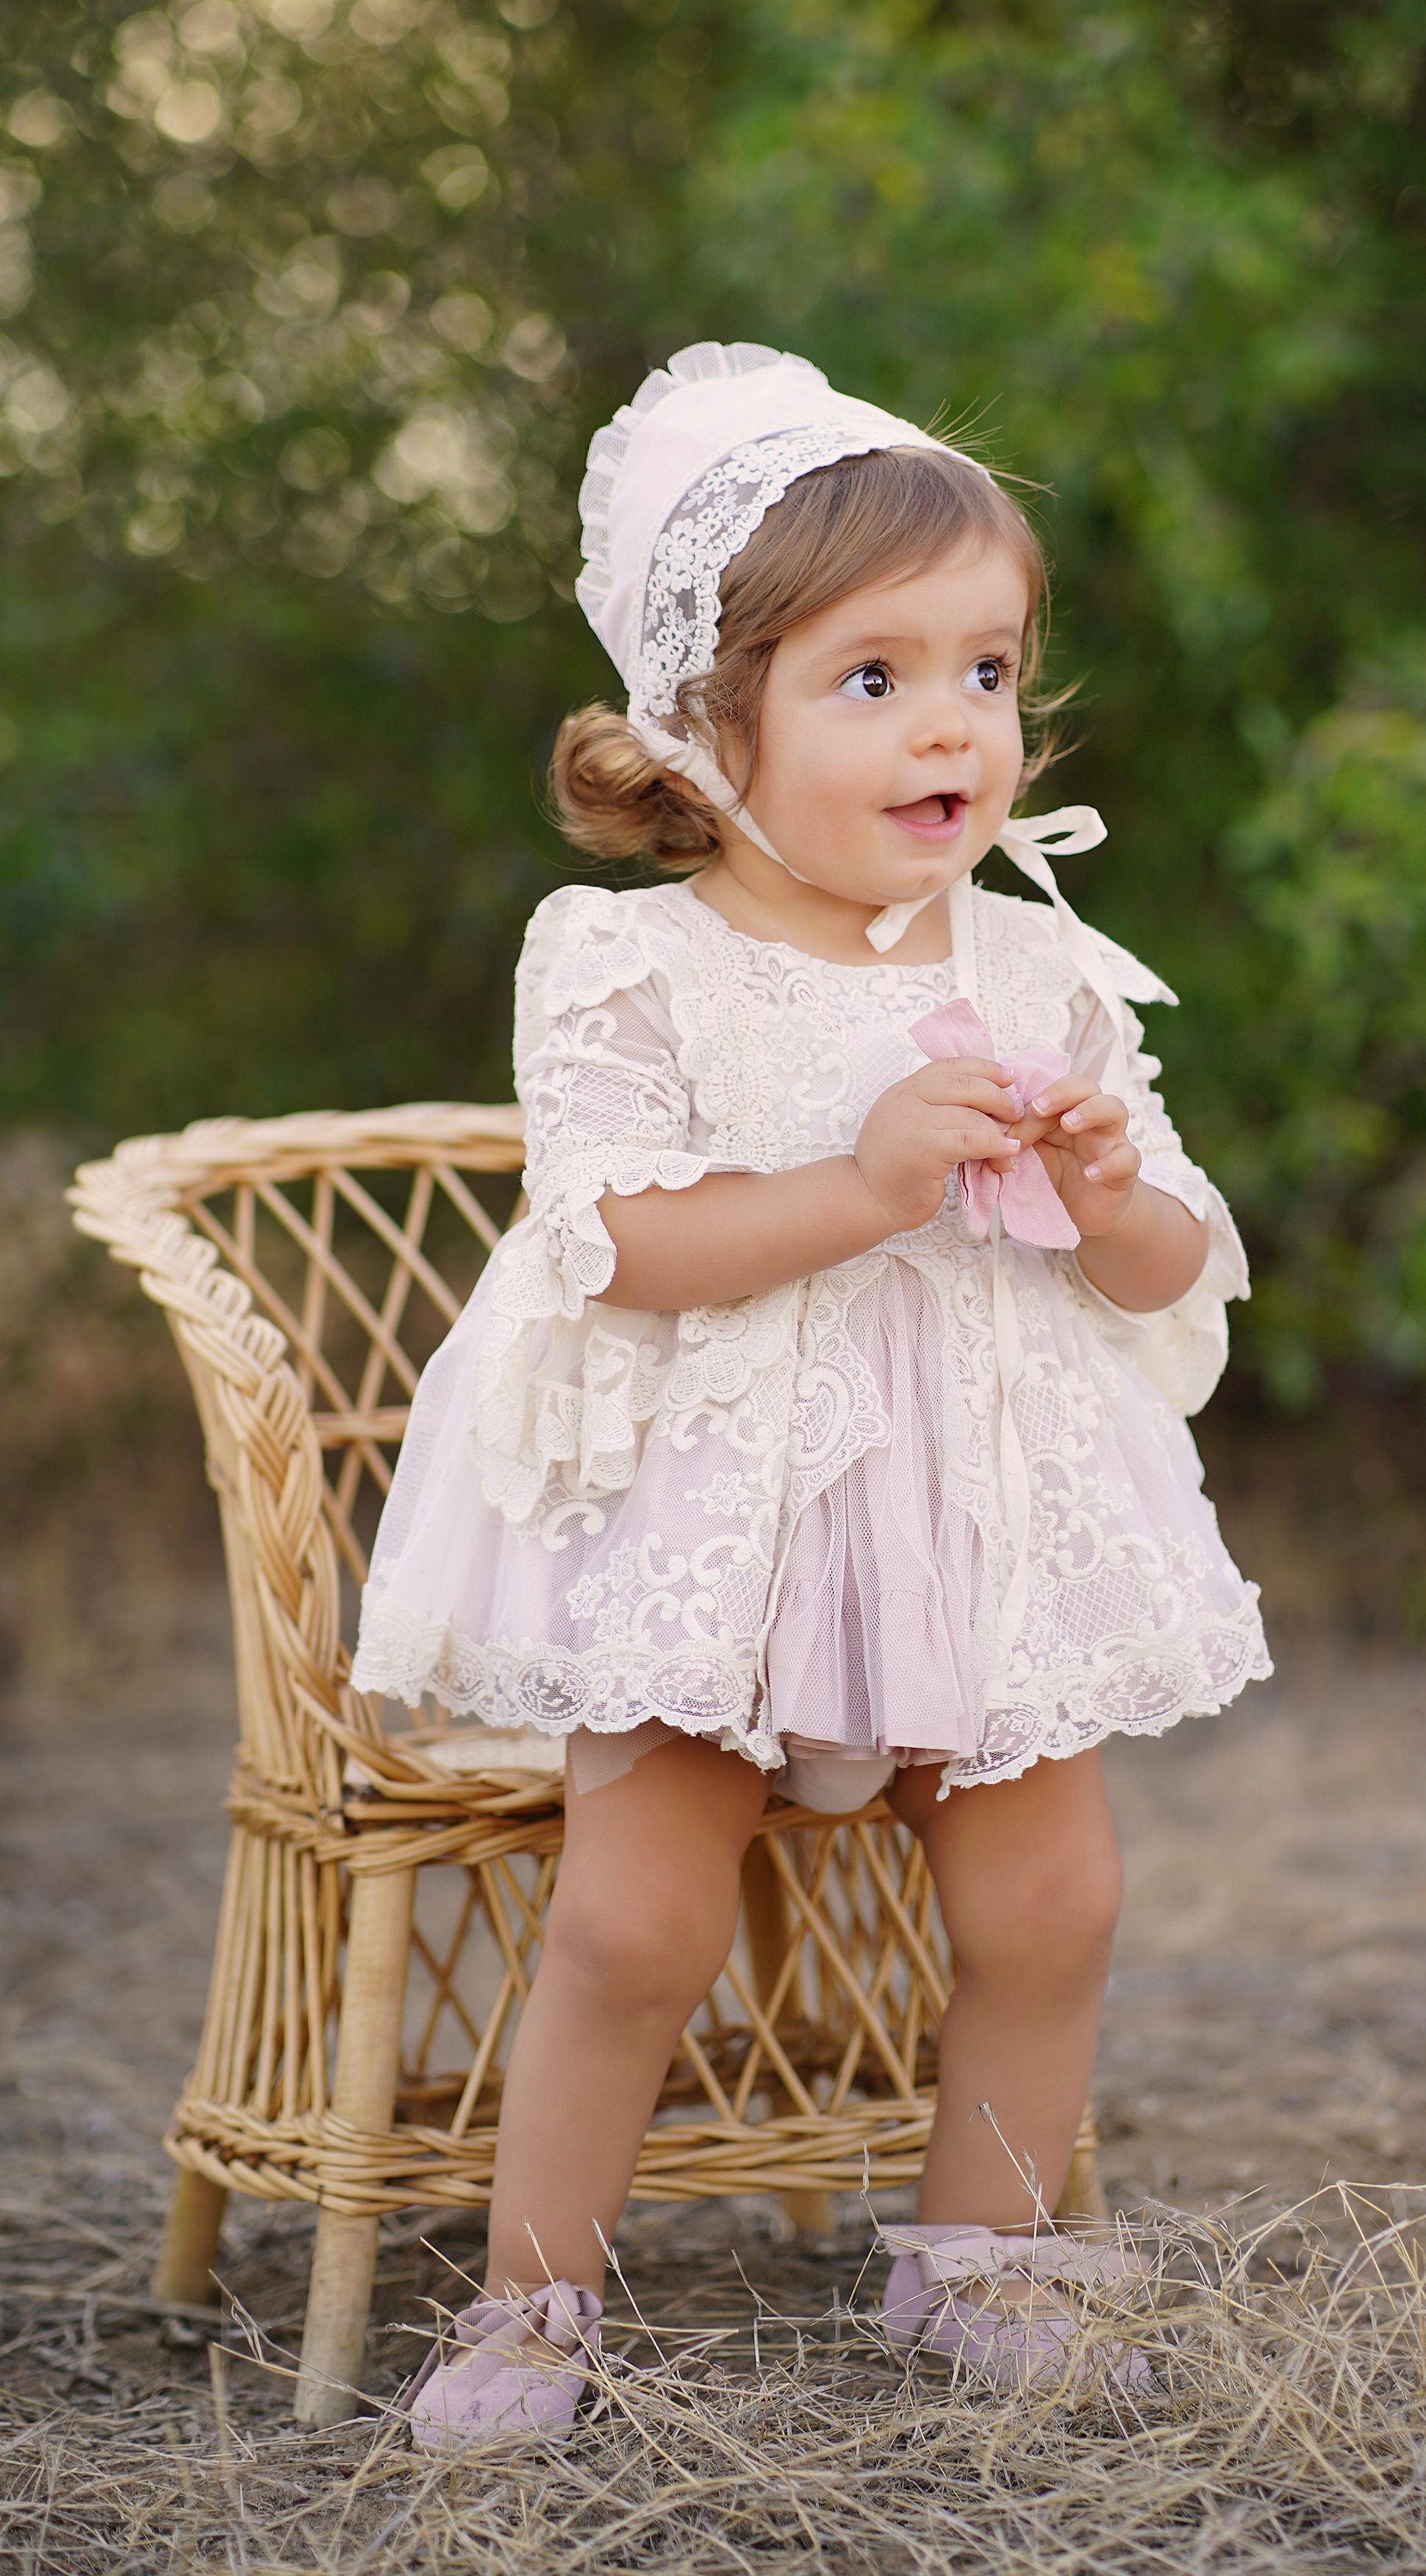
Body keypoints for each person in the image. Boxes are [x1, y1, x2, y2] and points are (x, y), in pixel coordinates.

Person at [354, 343, 1269, 2445]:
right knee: (636, 1920)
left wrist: (1111, 1187)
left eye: (987, 669)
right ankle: (532, 2301)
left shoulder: (1033, 965)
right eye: (875, 679)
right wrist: (868, 1180)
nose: (953, 721)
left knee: (1058, 1897)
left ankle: (988, 2259)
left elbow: (1162, 1269)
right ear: (707, 725)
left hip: (973, 1520)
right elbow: (614, 1242)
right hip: (717, 1516)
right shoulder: (622, 958)